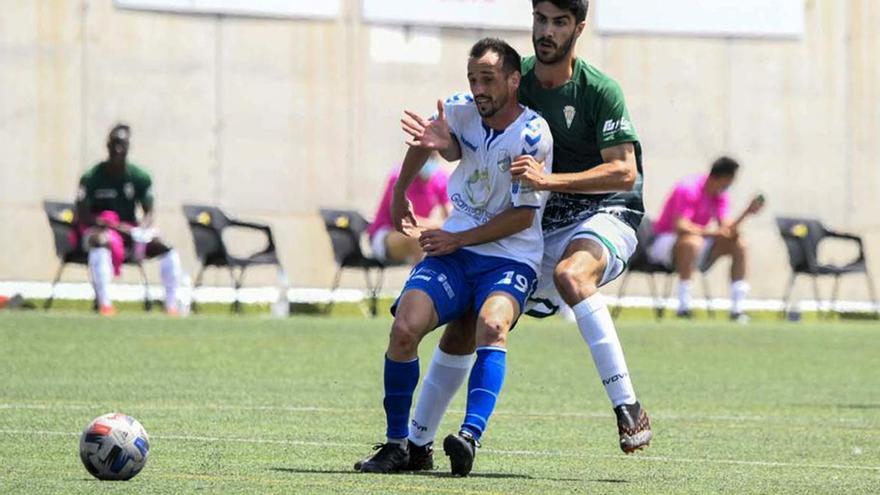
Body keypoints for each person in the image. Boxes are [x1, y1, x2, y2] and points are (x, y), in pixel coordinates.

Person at [398, 0, 653, 468]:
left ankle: (627, 404)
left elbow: (623, 171)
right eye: (540, 20)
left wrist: (549, 181)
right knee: (468, 324)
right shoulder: (516, 79)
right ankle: (417, 443)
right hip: (542, 219)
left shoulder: (599, 90)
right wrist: (445, 143)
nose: (547, 31)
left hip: (607, 209)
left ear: (579, 27)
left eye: (559, 22)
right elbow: (472, 135)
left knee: (574, 276)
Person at [355, 38, 553, 476]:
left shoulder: (533, 135)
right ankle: (398, 445)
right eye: (472, 79)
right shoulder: (460, 109)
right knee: (404, 328)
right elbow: (429, 142)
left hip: (510, 258)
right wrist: (401, 191)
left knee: (492, 325)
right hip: (457, 251)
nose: (478, 88)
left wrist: (455, 238)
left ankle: (469, 436)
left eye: (488, 79)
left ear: (514, 80)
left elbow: (522, 218)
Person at [74, 123, 182, 316]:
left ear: (128, 147)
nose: (117, 149)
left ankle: (172, 305)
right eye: (114, 144)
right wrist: (107, 224)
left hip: (129, 232)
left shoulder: (139, 177)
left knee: (165, 247)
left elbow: (149, 211)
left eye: (122, 144)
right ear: (107, 146)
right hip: (98, 231)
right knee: (101, 241)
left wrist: (141, 229)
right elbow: (82, 214)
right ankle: (104, 303)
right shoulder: (91, 177)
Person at [648, 156, 764, 321]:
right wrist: (712, 233)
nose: (730, 185)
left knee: (739, 245)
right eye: (730, 180)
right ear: (723, 177)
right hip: (664, 242)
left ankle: (738, 309)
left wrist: (747, 212)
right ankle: (684, 307)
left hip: (699, 244)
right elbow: (681, 226)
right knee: (692, 242)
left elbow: (726, 230)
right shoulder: (687, 188)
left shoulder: (720, 196)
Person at [367, 154, 450, 264]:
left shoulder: (441, 179)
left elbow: (451, 217)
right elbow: (406, 222)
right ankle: (420, 280)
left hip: (419, 231)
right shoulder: (400, 177)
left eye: (432, 157)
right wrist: (439, 225)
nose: (429, 161)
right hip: (386, 234)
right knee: (420, 240)